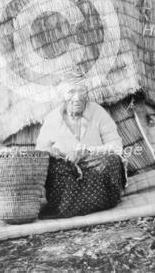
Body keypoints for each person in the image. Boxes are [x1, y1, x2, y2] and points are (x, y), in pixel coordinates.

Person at [35, 83, 126, 217]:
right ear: (62, 96)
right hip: (67, 173)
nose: (77, 98)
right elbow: (39, 153)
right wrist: (51, 152)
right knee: (52, 169)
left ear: (87, 94)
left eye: (81, 91)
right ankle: (92, 203)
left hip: (96, 167)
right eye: (71, 92)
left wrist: (88, 152)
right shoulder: (52, 119)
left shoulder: (98, 112)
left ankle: (70, 207)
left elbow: (116, 146)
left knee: (112, 161)